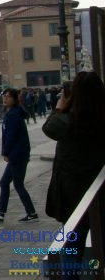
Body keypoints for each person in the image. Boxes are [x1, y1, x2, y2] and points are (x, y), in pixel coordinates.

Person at [43, 72, 105, 279]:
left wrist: (60, 107)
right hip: (98, 187)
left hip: (71, 192)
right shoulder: (100, 119)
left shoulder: (68, 121)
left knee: (72, 245)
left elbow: (49, 128)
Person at [0, 88, 38, 222]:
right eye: (4, 96)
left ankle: (31, 213)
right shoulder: (12, 113)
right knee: (5, 183)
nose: (5, 99)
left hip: (17, 154)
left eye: (8, 97)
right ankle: (1, 212)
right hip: (18, 153)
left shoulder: (14, 115)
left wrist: (6, 152)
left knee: (18, 184)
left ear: (14, 99)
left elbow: (11, 136)